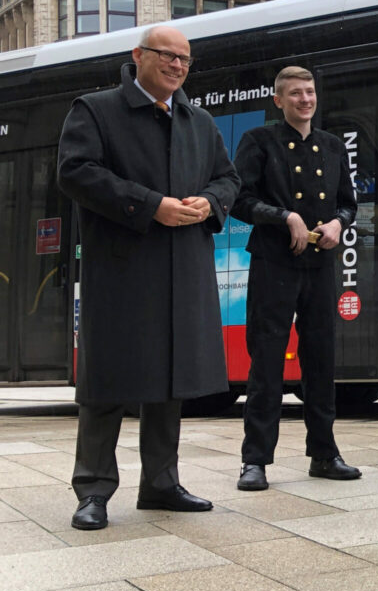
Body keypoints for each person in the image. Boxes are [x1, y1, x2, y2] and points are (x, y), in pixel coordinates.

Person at [57, 26, 240, 530]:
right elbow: (76, 172)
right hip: (120, 272)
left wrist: (212, 201)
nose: (178, 65)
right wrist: (149, 205)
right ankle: (93, 489)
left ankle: (161, 482)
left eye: (186, 59)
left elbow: (229, 178)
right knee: (107, 382)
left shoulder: (198, 121)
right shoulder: (94, 110)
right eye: (168, 56)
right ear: (138, 56)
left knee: (170, 380)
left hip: (183, 268)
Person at [231, 66, 362, 491]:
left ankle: (324, 454)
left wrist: (339, 224)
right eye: (295, 94)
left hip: (321, 264)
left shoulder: (332, 145)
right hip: (274, 262)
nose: (305, 99)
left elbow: (348, 202)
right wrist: (284, 216)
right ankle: (255, 461)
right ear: (278, 100)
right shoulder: (259, 141)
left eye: (309, 92)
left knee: (321, 360)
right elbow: (239, 199)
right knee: (266, 362)